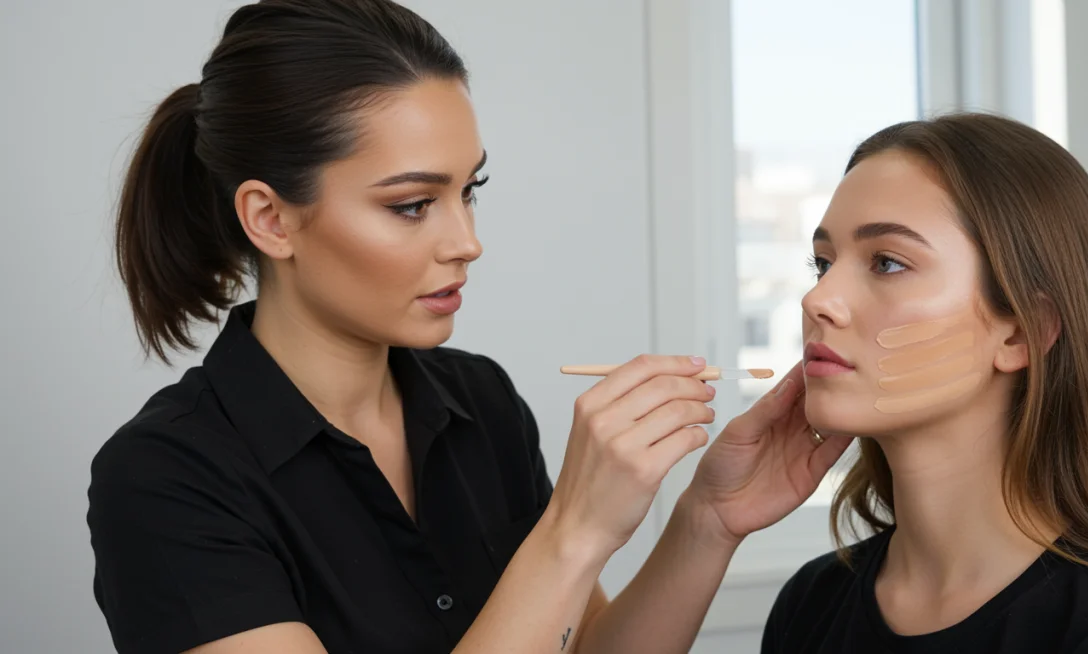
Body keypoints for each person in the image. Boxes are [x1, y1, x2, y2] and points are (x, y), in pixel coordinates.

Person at [87, 1, 852, 653]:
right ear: (270, 218)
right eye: (412, 205)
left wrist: (706, 520)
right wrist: (574, 531)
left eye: (469, 190)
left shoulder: (478, 403)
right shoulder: (164, 479)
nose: (466, 241)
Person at [760, 112, 1088, 653]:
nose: (817, 300)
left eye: (888, 263)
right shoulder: (811, 603)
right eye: (823, 264)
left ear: (1023, 332)